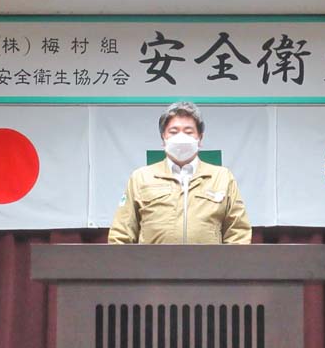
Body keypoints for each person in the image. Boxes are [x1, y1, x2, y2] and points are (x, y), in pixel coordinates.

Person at [108, 101, 251, 244]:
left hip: (209, 260)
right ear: (163, 138)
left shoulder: (222, 177)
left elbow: (238, 233)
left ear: (200, 138)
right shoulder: (141, 178)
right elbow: (121, 234)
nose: (181, 137)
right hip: (153, 260)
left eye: (188, 132)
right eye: (173, 132)